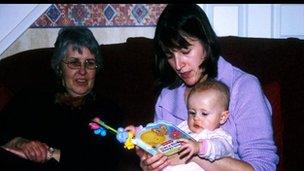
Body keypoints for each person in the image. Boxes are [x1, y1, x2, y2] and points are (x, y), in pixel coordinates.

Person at [137, 4, 279, 171]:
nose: (178, 65)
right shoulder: (167, 97)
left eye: (185, 51)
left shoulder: (244, 87)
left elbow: (263, 167)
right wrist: (149, 165)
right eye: (169, 55)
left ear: (206, 42)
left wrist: (195, 154)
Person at [0, 27, 125, 170]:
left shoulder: (109, 110)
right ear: (60, 66)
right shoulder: (30, 97)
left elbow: (106, 161)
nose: (83, 71)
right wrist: (19, 142)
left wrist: (50, 153)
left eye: (90, 63)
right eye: (74, 62)